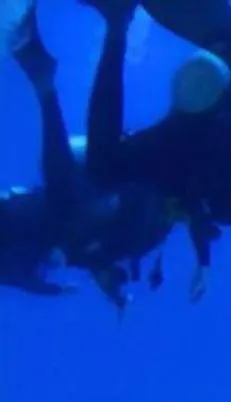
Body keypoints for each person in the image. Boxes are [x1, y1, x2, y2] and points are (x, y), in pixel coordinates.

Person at [78, 0, 231, 301]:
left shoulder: (192, 189)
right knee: (106, 169)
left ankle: (119, 24)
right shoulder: (206, 192)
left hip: (198, 131)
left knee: (106, 169)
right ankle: (118, 25)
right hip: (206, 132)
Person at [3, 2, 177, 309]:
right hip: (71, 210)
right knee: (66, 200)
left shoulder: (135, 232)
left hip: (64, 210)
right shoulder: (136, 232)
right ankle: (46, 84)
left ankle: (46, 83)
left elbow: (69, 252)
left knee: (65, 200)